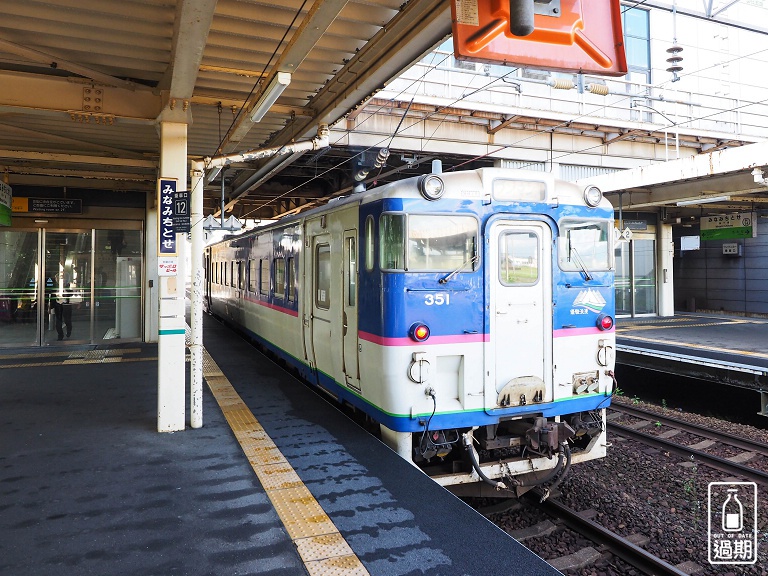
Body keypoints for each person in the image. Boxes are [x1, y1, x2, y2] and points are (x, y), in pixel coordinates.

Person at [49, 276, 73, 341]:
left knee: (67, 320)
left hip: (66, 305)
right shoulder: (55, 287)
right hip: (58, 305)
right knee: (58, 321)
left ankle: (69, 330)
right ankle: (60, 335)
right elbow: (52, 297)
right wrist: (51, 307)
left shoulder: (68, 286)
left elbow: (72, 293)